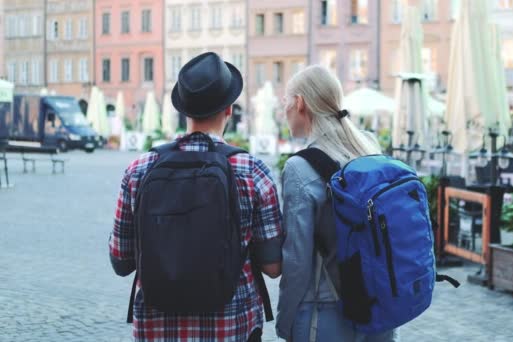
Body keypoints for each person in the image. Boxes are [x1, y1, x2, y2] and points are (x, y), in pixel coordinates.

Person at [109, 52, 283, 342]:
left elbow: (121, 261)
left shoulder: (139, 170)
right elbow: (273, 267)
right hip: (231, 326)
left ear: (183, 110)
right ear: (228, 109)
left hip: (156, 328)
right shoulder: (253, 171)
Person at [276, 65, 397, 341]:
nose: (284, 110)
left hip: (325, 311)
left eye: (285, 101)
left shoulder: (299, 168)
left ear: (300, 103)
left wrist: (285, 323)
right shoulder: (369, 147)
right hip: (380, 306)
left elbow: (297, 261)